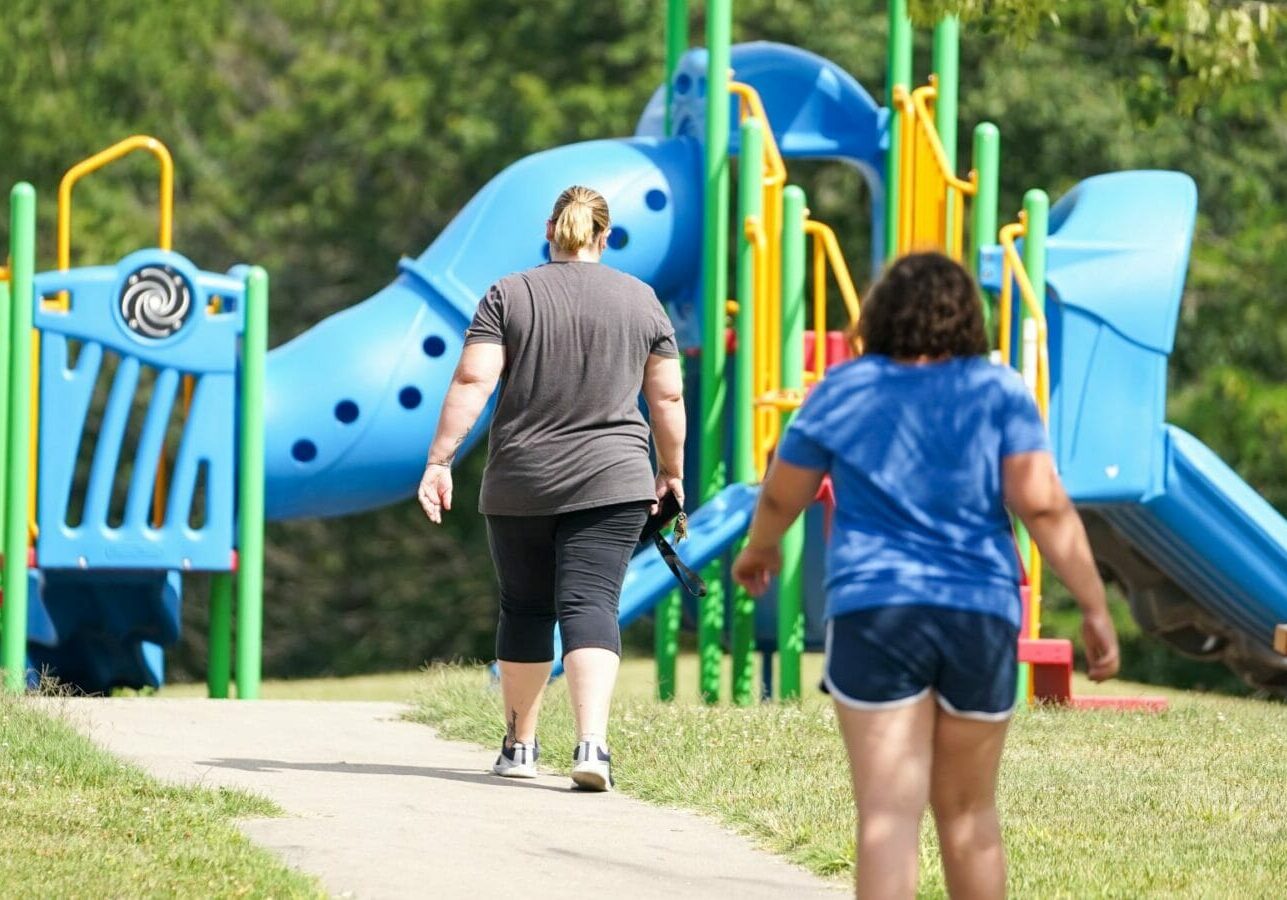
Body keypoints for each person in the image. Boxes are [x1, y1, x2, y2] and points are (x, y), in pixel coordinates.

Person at [732, 252, 1120, 898]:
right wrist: (1093, 605)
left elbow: (781, 491)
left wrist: (759, 548)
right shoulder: (996, 390)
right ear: (966, 317)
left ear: (879, 314)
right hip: (978, 612)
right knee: (969, 817)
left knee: (887, 816)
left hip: (874, 610)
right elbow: (1042, 502)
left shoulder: (844, 387)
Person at [418, 185, 685, 792]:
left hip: (521, 479)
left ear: (550, 228)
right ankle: (592, 746)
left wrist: (441, 461)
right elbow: (666, 396)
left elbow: (472, 380)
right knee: (591, 606)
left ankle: (519, 746)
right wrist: (672, 472)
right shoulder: (642, 301)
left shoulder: (508, 294)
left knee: (527, 608)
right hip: (613, 479)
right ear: (605, 236)